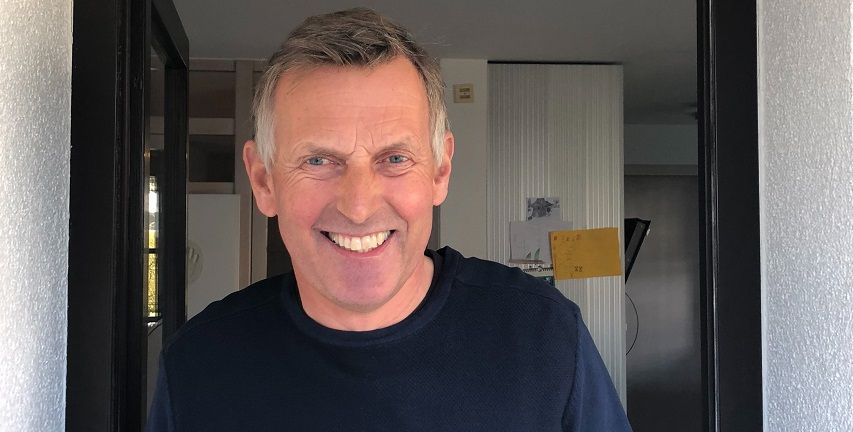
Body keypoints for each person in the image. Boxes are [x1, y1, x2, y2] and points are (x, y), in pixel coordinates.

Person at [146, 8, 632, 432]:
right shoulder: (198, 365)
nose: (358, 206)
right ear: (263, 180)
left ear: (440, 171)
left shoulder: (544, 336)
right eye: (318, 160)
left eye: (395, 158)